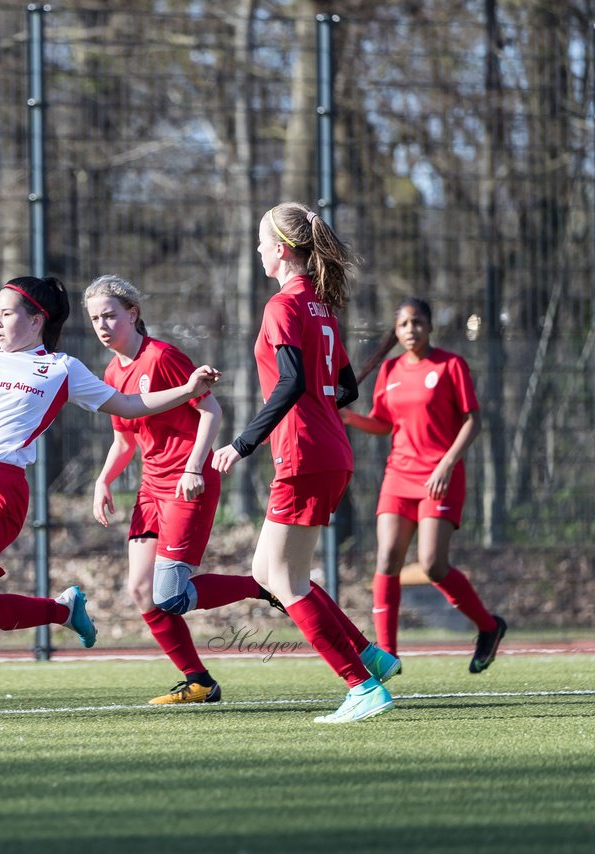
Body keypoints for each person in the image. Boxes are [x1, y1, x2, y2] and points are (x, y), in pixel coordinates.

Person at [0, 275, 222, 723]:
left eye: (6, 313)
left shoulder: (62, 368)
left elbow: (128, 406)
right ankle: (63, 610)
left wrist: (187, 390)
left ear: (36, 320)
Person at [211, 203, 401, 724]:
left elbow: (294, 382)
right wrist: (317, 401)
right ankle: (368, 654)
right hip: (329, 451)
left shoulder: (283, 307)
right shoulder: (320, 307)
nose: (257, 251)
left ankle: (361, 685)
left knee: (282, 579)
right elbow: (344, 387)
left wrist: (242, 443)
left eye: (260, 242)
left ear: (281, 249)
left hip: (303, 453)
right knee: (271, 571)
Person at [84, 274, 284, 705]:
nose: (102, 326)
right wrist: (103, 480)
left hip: (186, 483)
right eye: (95, 319)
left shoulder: (162, 357)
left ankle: (261, 587)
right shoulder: (112, 370)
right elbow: (124, 440)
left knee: (170, 596)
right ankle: (200, 682)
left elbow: (211, 410)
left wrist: (195, 466)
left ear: (133, 314)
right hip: (151, 488)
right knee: (141, 590)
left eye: (110, 316)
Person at [341, 296, 506, 672]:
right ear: (396, 332)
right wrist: (350, 419)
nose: (411, 330)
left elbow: (473, 421)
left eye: (417, 323)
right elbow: (383, 424)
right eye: (403, 325)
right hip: (398, 476)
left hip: (440, 476)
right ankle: (387, 656)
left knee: (432, 565)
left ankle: (489, 627)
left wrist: (447, 463)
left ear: (430, 327)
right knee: (386, 560)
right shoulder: (390, 370)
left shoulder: (450, 365)